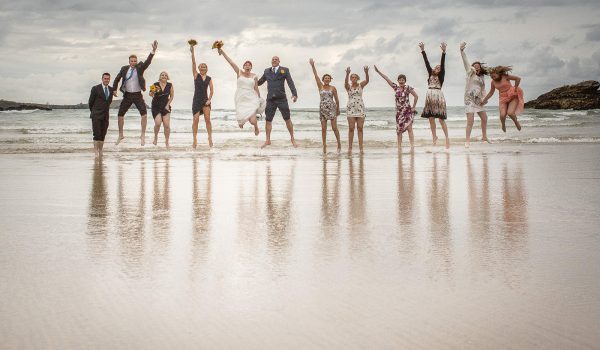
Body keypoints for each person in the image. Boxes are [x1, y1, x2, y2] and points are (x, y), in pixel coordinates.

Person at [112, 40, 158, 146]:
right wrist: (114, 89)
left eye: (135, 61)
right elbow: (117, 78)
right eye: (132, 61)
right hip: (127, 95)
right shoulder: (124, 69)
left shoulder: (140, 67)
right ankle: (120, 134)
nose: (133, 62)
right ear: (129, 61)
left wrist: (153, 51)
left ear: (136, 61)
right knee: (120, 114)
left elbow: (148, 62)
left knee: (144, 114)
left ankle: (142, 135)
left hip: (137, 95)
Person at [217, 47, 264, 136]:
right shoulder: (239, 72)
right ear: (243, 67)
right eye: (245, 64)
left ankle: (256, 126)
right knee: (240, 122)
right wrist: (222, 51)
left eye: (249, 64)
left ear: (251, 67)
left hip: (251, 98)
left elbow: (256, 88)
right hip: (240, 98)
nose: (247, 65)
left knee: (253, 121)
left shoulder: (254, 76)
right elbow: (231, 62)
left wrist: (259, 100)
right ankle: (242, 121)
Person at [257, 56, 298, 148]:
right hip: (270, 99)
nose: (274, 60)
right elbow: (260, 82)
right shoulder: (267, 71)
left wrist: (294, 94)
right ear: (271, 61)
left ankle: (292, 139)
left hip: (281, 98)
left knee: (287, 118)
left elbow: (290, 82)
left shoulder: (285, 70)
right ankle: (267, 140)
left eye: (276, 59)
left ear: (279, 61)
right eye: (273, 59)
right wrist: (250, 81)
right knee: (268, 119)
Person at [374, 66, 418, 150]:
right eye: (400, 79)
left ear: (405, 81)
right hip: (399, 112)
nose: (401, 81)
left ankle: (412, 146)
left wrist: (413, 107)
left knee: (409, 129)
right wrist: (378, 71)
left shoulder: (408, 88)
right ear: (398, 81)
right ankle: (399, 147)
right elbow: (386, 79)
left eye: (403, 80)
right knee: (399, 130)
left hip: (407, 112)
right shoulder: (395, 87)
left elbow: (416, 96)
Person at [419, 42, 450, 149]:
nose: (437, 68)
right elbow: (426, 63)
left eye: (439, 68)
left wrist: (444, 52)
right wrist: (423, 50)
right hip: (429, 96)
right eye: (436, 67)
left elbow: (443, 63)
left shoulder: (441, 76)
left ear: (441, 71)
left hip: (438, 96)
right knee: (431, 118)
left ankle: (447, 139)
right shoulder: (430, 74)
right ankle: (434, 137)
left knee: (441, 119)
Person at [460, 42, 490, 147]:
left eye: (478, 66)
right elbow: (466, 63)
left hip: (478, 100)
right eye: (475, 66)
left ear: (480, 68)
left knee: (485, 118)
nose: (477, 67)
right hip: (469, 99)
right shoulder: (470, 73)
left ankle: (484, 137)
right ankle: (467, 141)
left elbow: (483, 89)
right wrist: (462, 51)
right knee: (470, 121)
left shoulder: (482, 78)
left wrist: (485, 99)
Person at [309, 58, 341, 153]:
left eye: (328, 78)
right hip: (322, 109)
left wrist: (338, 109)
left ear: (330, 80)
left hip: (332, 108)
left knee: (334, 128)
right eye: (325, 78)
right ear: (323, 80)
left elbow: (337, 100)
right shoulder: (320, 86)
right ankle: (324, 145)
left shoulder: (333, 88)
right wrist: (313, 66)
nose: (327, 79)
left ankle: (339, 143)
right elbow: (316, 75)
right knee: (323, 129)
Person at [482, 66, 524, 132]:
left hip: (512, 95)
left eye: (494, 76)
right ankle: (503, 124)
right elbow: (491, 92)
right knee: (502, 115)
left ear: (498, 74)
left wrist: (515, 88)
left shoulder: (505, 76)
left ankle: (516, 122)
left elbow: (518, 79)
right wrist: (484, 100)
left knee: (510, 113)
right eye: (491, 77)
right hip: (502, 98)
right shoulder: (493, 82)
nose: (493, 78)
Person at [191, 46, 214, 148]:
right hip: (196, 100)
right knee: (195, 120)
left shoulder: (209, 78)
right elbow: (193, 63)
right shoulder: (196, 75)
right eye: (201, 66)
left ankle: (210, 137)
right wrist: (192, 52)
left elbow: (212, 90)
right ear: (199, 68)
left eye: (204, 66)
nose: (203, 68)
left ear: (207, 69)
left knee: (207, 119)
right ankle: (195, 139)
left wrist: (209, 100)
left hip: (205, 100)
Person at [344, 66, 369, 154]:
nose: (354, 78)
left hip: (360, 108)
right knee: (351, 128)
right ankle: (350, 148)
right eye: (352, 77)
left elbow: (367, 81)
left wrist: (366, 72)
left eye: (355, 77)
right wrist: (347, 74)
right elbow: (345, 83)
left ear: (358, 78)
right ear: (351, 79)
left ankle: (361, 148)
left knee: (360, 128)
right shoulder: (348, 87)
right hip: (351, 108)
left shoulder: (360, 85)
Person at [88, 72, 114, 158]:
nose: (106, 80)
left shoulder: (111, 89)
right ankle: (96, 152)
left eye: (108, 79)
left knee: (103, 134)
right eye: (105, 78)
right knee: (97, 134)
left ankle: (101, 150)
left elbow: (109, 102)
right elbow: (90, 102)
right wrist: (94, 112)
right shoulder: (95, 88)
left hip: (106, 115)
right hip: (96, 115)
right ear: (102, 79)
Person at [149, 71, 174, 149]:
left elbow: (172, 96)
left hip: (166, 106)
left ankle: (167, 141)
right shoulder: (155, 84)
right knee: (158, 123)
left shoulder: (170, 85)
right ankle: (155, 137)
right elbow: (150, 94)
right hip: (156, 106)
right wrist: (153, 92)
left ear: (167, 77)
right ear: (160, 77)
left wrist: (167, 105)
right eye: (162, 75)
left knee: (166, 125)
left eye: (165, 75)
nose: (164, 76)